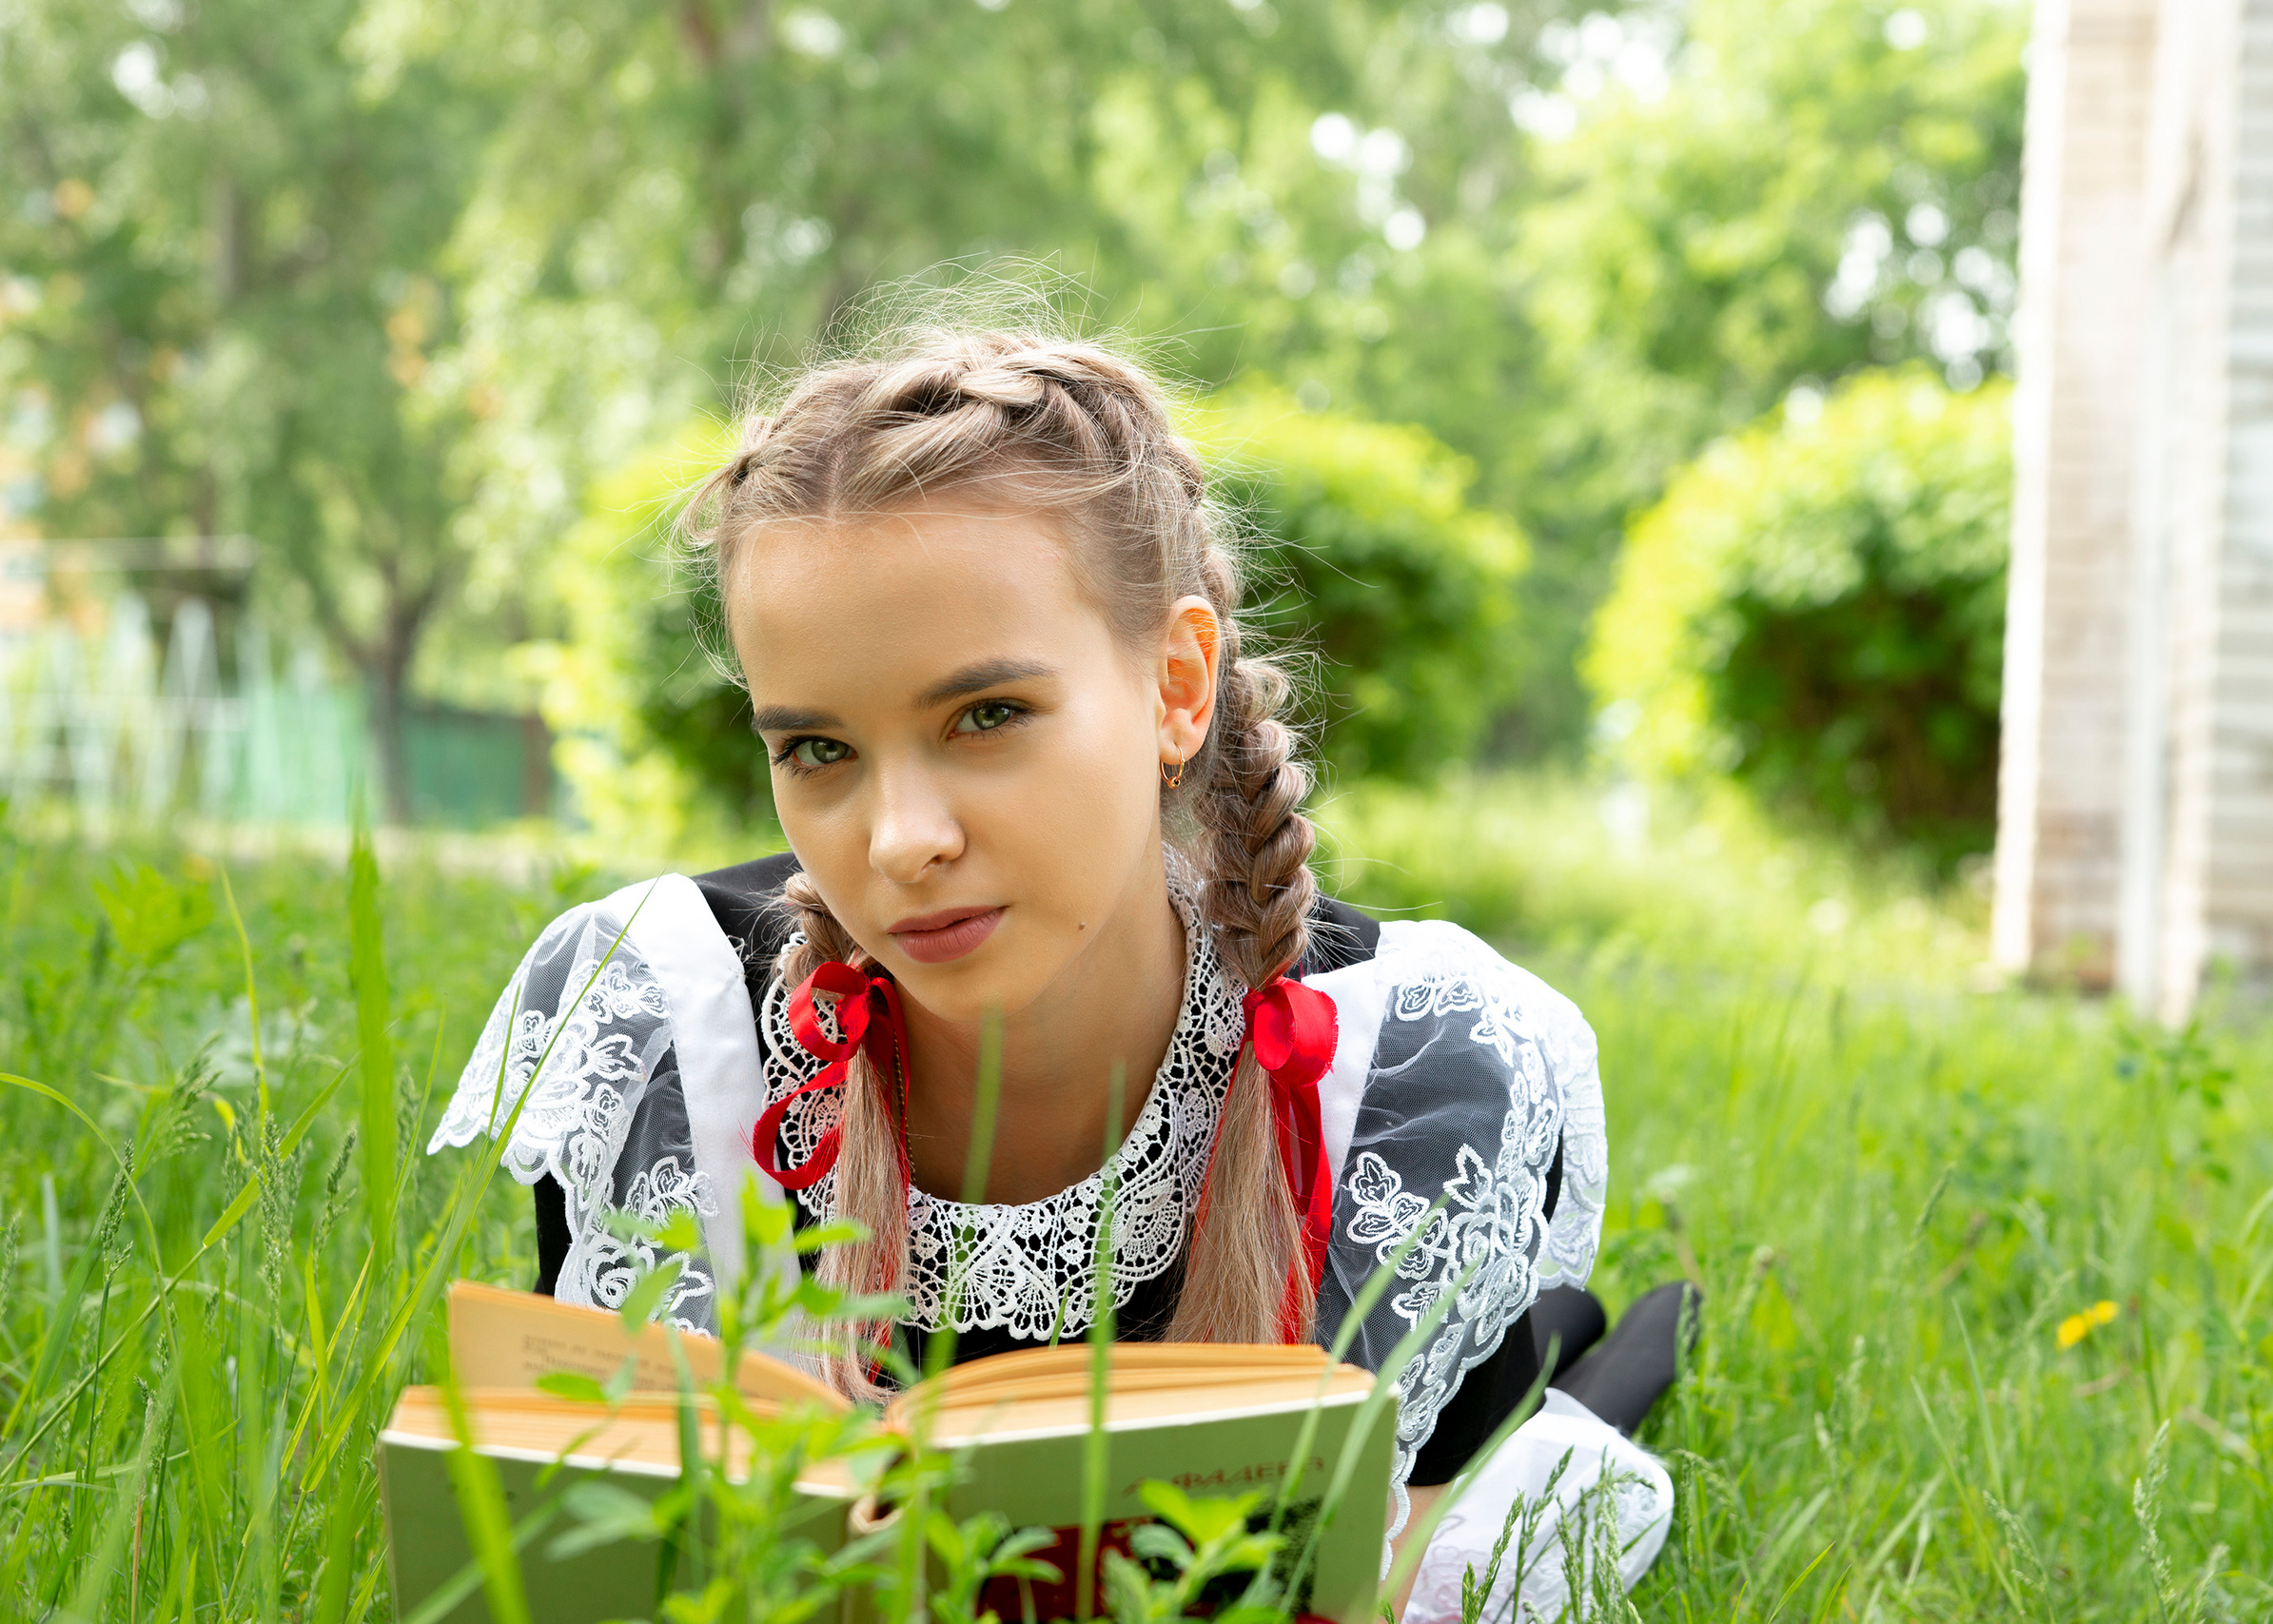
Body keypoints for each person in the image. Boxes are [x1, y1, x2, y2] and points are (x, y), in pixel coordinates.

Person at [427, 321, 1686, 1619]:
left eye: (988, 717)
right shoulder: (674, 1030)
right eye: (816, 749)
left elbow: (1394, 1550)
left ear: (1176, 685)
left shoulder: (1406, 1067)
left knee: (1525, 1475)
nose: (903, 842)